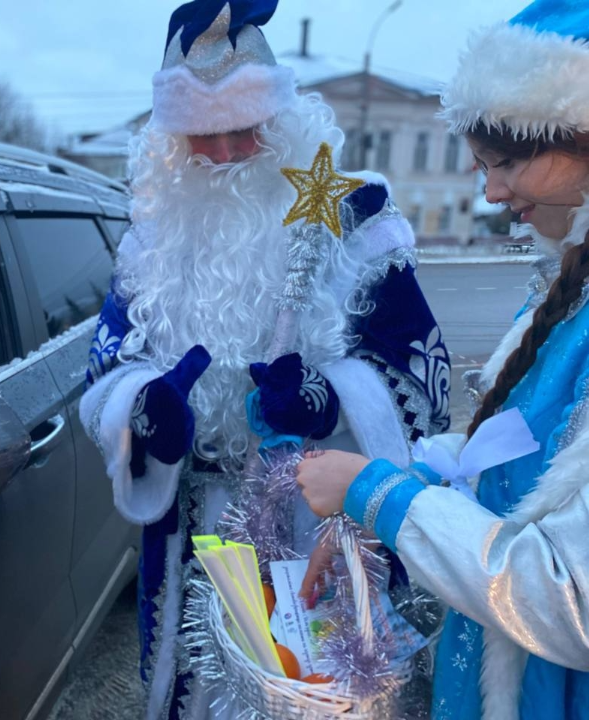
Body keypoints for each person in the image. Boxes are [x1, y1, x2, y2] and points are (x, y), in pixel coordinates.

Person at [79, 1, 450, 716]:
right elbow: (104, 373)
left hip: (325, 524)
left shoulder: (357, 218)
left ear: (281, 121)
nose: (222, 155)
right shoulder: (149, 241)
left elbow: (422, 380)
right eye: (201, 137)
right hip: (197, 530)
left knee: (317, 697)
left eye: (244, 130)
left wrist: (332, 400)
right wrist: (141, 409)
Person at [297, 2, 589, 718]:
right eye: (483, 164)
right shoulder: (565, 287)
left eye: (508, 160)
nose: (490, 192)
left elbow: (566, 597)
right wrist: (418, 474)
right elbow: (519, 436)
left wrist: (377, 492)